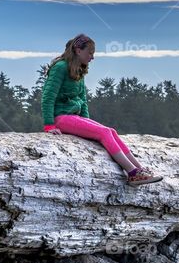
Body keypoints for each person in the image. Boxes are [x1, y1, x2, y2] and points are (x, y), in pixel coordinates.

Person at [41, 33, 161, 186]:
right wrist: (49, 125)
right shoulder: (60, 67)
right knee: (104, 133)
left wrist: (86, 120)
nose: (92, 57)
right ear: (78, 51)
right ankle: (132, 173)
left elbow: (82, 99)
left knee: (110, 131)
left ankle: (140, 169)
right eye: (89, 53)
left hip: (74, 117)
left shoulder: (79, 69)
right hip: (61, 117)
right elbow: (48, 97)